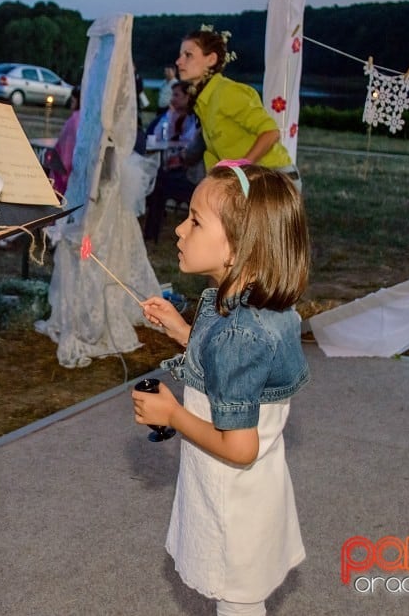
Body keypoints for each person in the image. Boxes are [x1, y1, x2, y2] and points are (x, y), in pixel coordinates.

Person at [132, 162, 310, 616]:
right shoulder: (255, 309)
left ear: (238, 247)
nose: (178, 229)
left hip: (231, 500)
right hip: (254, 494)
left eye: (194, 220)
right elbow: (233, 368)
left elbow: (240, 447)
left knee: (237, 604)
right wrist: (181, 330)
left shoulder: (239, 333)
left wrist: (172, 414)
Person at [175, 28, 301, 189]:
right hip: (249, 181)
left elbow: (271, 133)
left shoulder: (227, 92)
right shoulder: (204, 101)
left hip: (274, 179)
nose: (179, 61)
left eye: (188, 55)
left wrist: (241, 167)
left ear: (211, 59)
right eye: (180, 55)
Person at [142, 81, 205, 242]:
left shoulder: (196, 119)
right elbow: (157, 136)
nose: (173, 100)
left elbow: (191, 147)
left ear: (188, 97)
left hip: (190, 172)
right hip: (171, 163)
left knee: (159, 183)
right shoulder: (169, 116)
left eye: (177, 95)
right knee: (155, 178)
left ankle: (151, 231)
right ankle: (150, 229)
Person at [51, 86, 80, 195]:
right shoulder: (90, 120)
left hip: (67, 180)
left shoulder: (74, 122)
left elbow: (65, 158)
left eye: (73, 101)